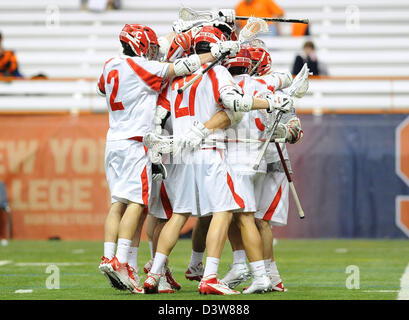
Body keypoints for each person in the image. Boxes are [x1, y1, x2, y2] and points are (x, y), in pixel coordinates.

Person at [97, 23, 236, 294]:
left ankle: (115, 257)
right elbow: (180, 66)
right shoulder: (146, 68)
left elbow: (105, 89)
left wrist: (187, 30)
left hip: (115, 139)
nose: (153, 52)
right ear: (138, 45)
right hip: (144, 143)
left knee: (120, 204)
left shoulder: (110, 64)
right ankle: (124, 261)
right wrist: (216, 51)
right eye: (148, 48)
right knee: (141, 205)